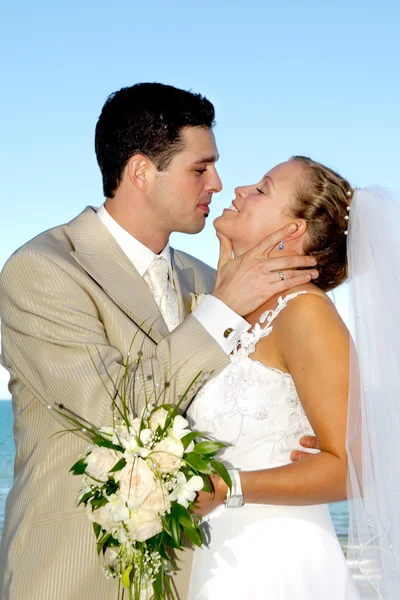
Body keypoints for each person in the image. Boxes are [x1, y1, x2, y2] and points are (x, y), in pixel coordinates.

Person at [0, 84, 318, 600]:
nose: (218, 182)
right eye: (200, 167)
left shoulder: (207, 277)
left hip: (198, 572)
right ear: (142, 172)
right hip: (74, 572)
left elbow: (235, 396)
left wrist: (303, 438)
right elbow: (110, 409)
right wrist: (220, 311)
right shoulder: (42, 270)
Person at [186, 156, 362, 599]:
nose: (240, 189)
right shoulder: (231, 307)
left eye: (262, 188)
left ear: (293, 230)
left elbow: (351, 469)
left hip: (274, 562)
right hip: (213, 557)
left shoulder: (305, 312)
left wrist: (231, 487)